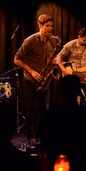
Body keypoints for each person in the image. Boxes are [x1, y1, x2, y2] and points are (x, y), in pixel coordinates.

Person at [14, 13, 61, 145]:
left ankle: (44, 136)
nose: (50, 29)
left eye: (51, 26)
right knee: (31, 110)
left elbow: (54, 58)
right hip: (31, 80)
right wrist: (32, 72)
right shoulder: (30, 41)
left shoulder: (53, 41)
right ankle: (31, 137)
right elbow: (16, 60)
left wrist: (56, 61)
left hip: (45, 80)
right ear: (40, 25)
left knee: (45, 110)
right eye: (47, 26)